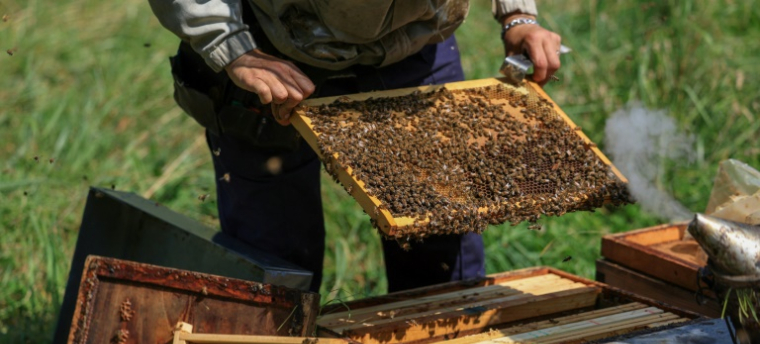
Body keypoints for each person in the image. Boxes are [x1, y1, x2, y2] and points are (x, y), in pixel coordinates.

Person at [148, 0, 562, 293]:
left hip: (416, 45)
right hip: (273, 49)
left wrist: (517, 14)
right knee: (273, 262)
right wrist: (233, 48)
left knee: (439, 240)